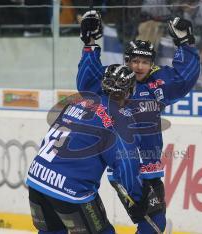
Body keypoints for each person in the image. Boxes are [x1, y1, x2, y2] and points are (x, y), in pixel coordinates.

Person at [77, 10, 200, 233]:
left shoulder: (158, 84)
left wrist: (185, 42)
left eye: (145, 61)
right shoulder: (115, 81)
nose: (139, 67)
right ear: (126, 61)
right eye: (134, 61)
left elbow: (185, 78)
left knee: (154, 225)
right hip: (126, 169)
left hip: (152, 168)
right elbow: (87, 83)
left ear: (152, 63)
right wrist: (90, 43)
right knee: (154, 225)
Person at [26, 64, 156, 234]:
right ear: (130, 90)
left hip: (37, 179)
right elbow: (125, 167)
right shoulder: (118, 118)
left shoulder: (79, 100)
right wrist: (138, 200)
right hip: (70, 189)